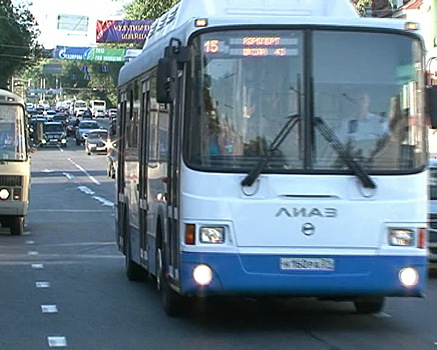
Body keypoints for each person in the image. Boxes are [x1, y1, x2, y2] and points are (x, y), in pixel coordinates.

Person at [338, 92, 390, 160]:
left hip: (374, 162)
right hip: (351, 162)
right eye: (357, 100)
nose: (360, 103)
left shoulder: (380, 122)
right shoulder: (346, 122)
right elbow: (340, 143)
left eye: (362, 99)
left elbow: (386, 144)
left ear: (368, 102)